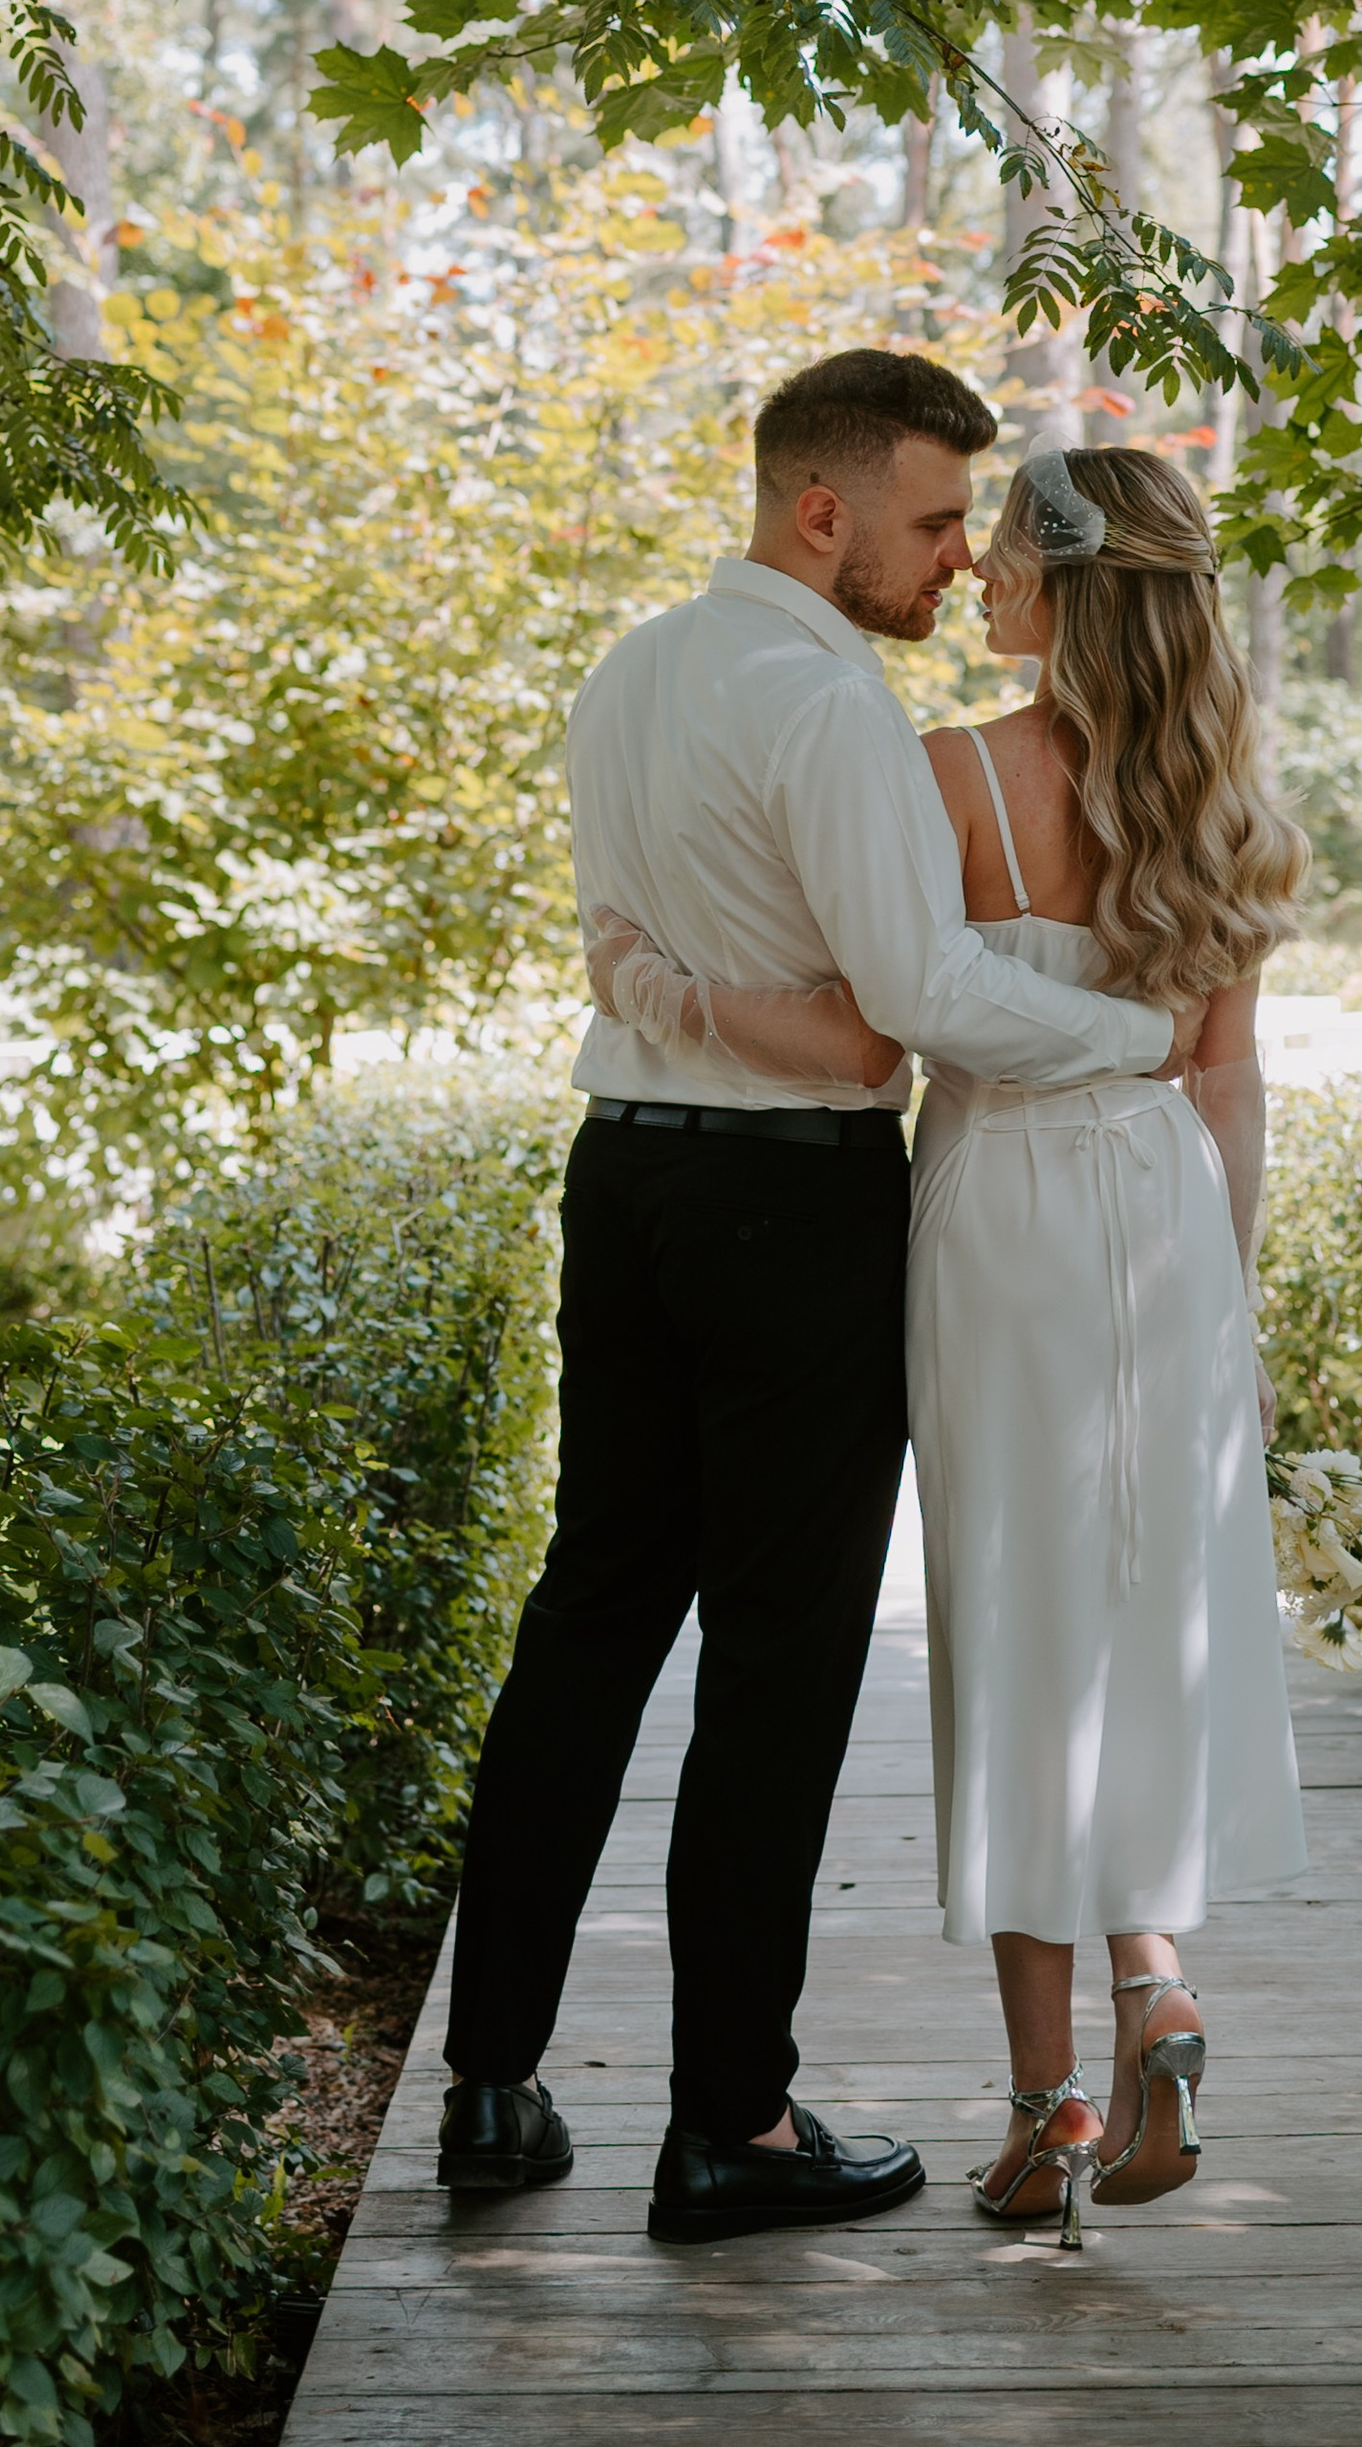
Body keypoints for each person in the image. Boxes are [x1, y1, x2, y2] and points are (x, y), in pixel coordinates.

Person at [435, 351, 1201, 2246]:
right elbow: (914, 1005)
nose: (960, 561)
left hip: (627, 1179)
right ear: (824, 511)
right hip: (792, 1207)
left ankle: (489, 2090)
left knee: (591, 1614)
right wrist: (1135, 1034)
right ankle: (733, 2131)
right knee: (776, 1672)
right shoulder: (836, 709)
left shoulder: (625, 677)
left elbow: (649, 957)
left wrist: (686, 1006)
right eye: (939, 520)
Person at [602, 440, 1309, 2248]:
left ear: (1066, 585)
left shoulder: (954, 777)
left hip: (999, 1211)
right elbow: (1222, 1073)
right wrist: (1219, 1300)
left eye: (1002, 555)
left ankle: (1042, 2099)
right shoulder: (1228, 798)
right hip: (1162, 1213)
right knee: (1143, 1616)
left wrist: (670, 990)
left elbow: (894, 1020)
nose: (979, 578)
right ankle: (1162, 1987)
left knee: (1014, 1626)